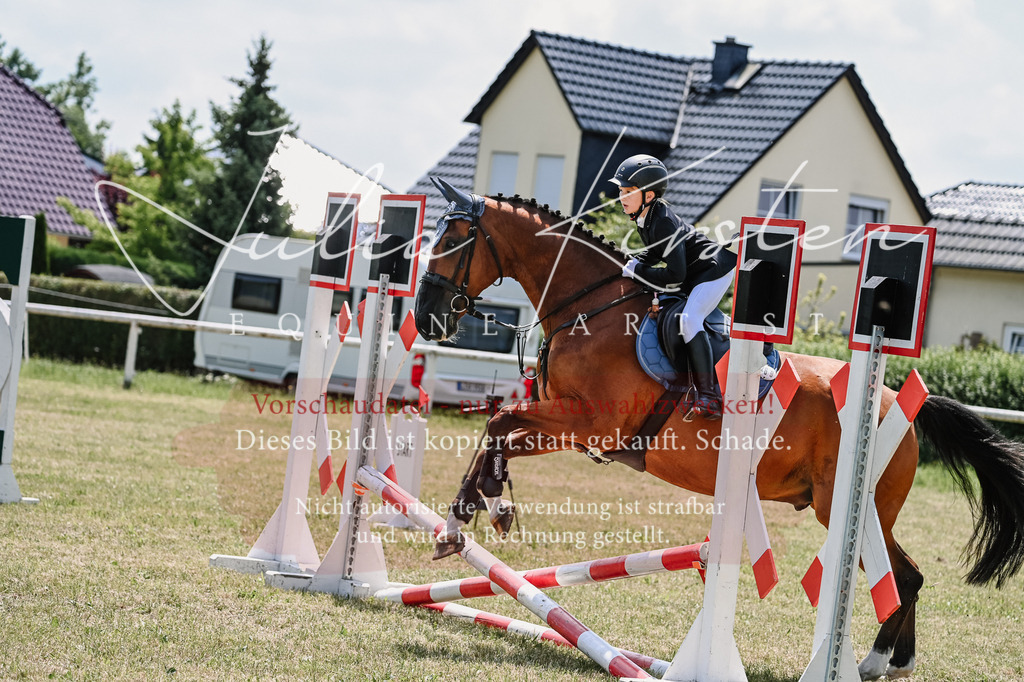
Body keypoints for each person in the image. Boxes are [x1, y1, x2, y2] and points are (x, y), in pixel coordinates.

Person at [610, 154, 737, 419]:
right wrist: (627, 264)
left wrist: (638, 270)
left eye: (628, 191)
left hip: (713, 270)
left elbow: (675, 276)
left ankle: (710, 397)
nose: (622, 197)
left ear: (648, 195)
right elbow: (655, 255)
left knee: (690, 320)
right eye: (621, 191)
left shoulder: (662, 221)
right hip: (695, 271)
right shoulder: (646, 217)